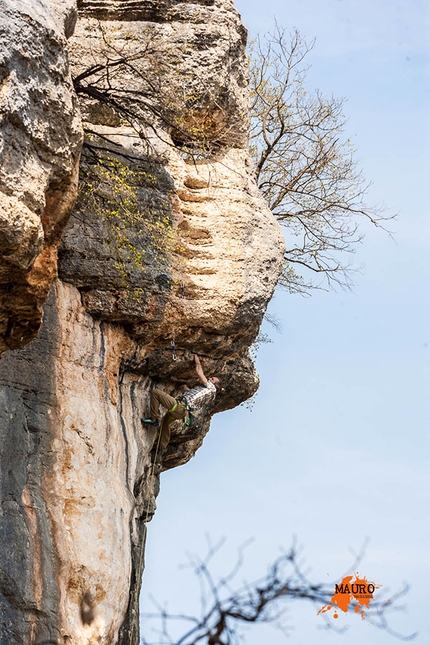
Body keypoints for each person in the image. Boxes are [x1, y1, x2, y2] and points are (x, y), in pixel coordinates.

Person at [142, 354, 221, 452]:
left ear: (214, 384)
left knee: (155, 393)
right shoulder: (208, 394)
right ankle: (161, 446)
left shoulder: (211, 388)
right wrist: (184, 387)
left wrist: (197, 362)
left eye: (212, 379)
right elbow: (191, 395)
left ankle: (154, 419)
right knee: (165, 422)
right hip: (182, 412)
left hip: (180, 406)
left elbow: (200, 373)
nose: (209, 378)